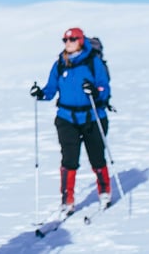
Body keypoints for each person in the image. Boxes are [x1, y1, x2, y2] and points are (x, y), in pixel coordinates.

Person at [30, 27, 112, 214]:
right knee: (69, 160)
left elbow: (104, 88)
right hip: (66, 118)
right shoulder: (60, 64)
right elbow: (51, 89)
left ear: (81, 40)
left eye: (73, 39)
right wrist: (40, 94)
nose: (68, 43)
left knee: (97, 156)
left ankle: (104, 191)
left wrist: (95, 90)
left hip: (92, 117)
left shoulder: (93, 62)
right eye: (65, 40)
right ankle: (67, 199)